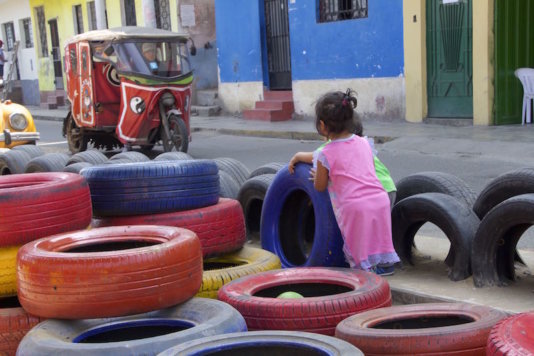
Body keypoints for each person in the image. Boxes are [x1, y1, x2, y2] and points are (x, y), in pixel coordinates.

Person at [288, 89, 400, 275]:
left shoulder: (325, 154)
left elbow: (320, 186)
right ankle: (385, 265)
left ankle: (364, 275)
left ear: (322, 125)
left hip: (354, 206)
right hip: (379, 198)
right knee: (379, 237)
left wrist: (319, 176)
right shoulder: (363, 142)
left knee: (359, 245)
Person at [351, 115, 397, 209]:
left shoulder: (336, 144)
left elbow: (316, 156)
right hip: (389, 187)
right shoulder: (365, 143)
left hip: (372, 193)